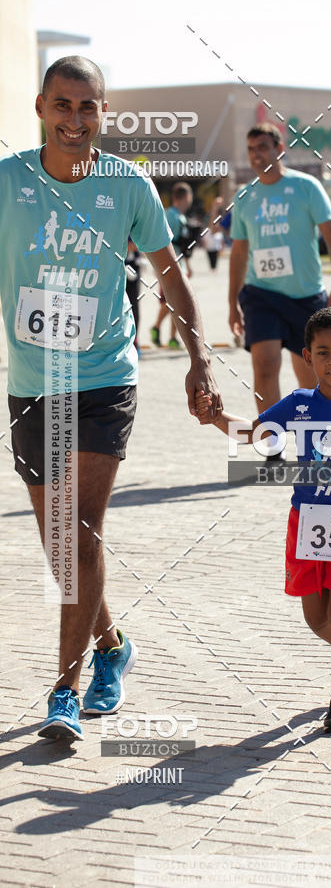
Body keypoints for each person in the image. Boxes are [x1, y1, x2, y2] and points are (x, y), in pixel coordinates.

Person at [0, 56, 221, 741]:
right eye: (63, 105)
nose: (75, 119)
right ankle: (112, 646)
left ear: (103, 112)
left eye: (87, 106)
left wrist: (199, 360)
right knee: (59, 543)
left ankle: (63, 690)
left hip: (104, 377)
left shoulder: (128, 186)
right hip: (33, 383)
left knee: (80, 534)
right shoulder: (8, 182)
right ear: (41, 107)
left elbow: (171, 277)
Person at [196, 307, 331, 731]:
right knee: (317, 618)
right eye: (323, 352)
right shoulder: (299, 404)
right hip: (307, 523)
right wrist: (216, 417)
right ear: (307, 357)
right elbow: (255, 434)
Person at [228, 123, 331, 435]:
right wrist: (232, 302)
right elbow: (239, 253)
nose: (256, 155)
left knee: (309, 377)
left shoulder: (306, 187)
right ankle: (271, 440)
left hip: (306, 296)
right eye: (251, 149)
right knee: (265, 365)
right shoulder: (244, 196)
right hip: (261, 294)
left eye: (262, 148)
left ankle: (314, 438)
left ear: (279, 150)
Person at [150, 182, 194, 349]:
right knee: (171, 302)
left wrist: (187, 266)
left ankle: (171, 337)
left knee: (177, 302)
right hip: (167, 264)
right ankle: (157, 328)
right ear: (187, 197)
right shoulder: (170, 215)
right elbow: (163, 241)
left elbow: (184, 246)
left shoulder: (181, 217)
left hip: (179, 263)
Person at [125, 238, 141, 354]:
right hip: (117, 265)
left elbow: (142, 243)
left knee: (133, 305)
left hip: (133, 266)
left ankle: (134, 340)